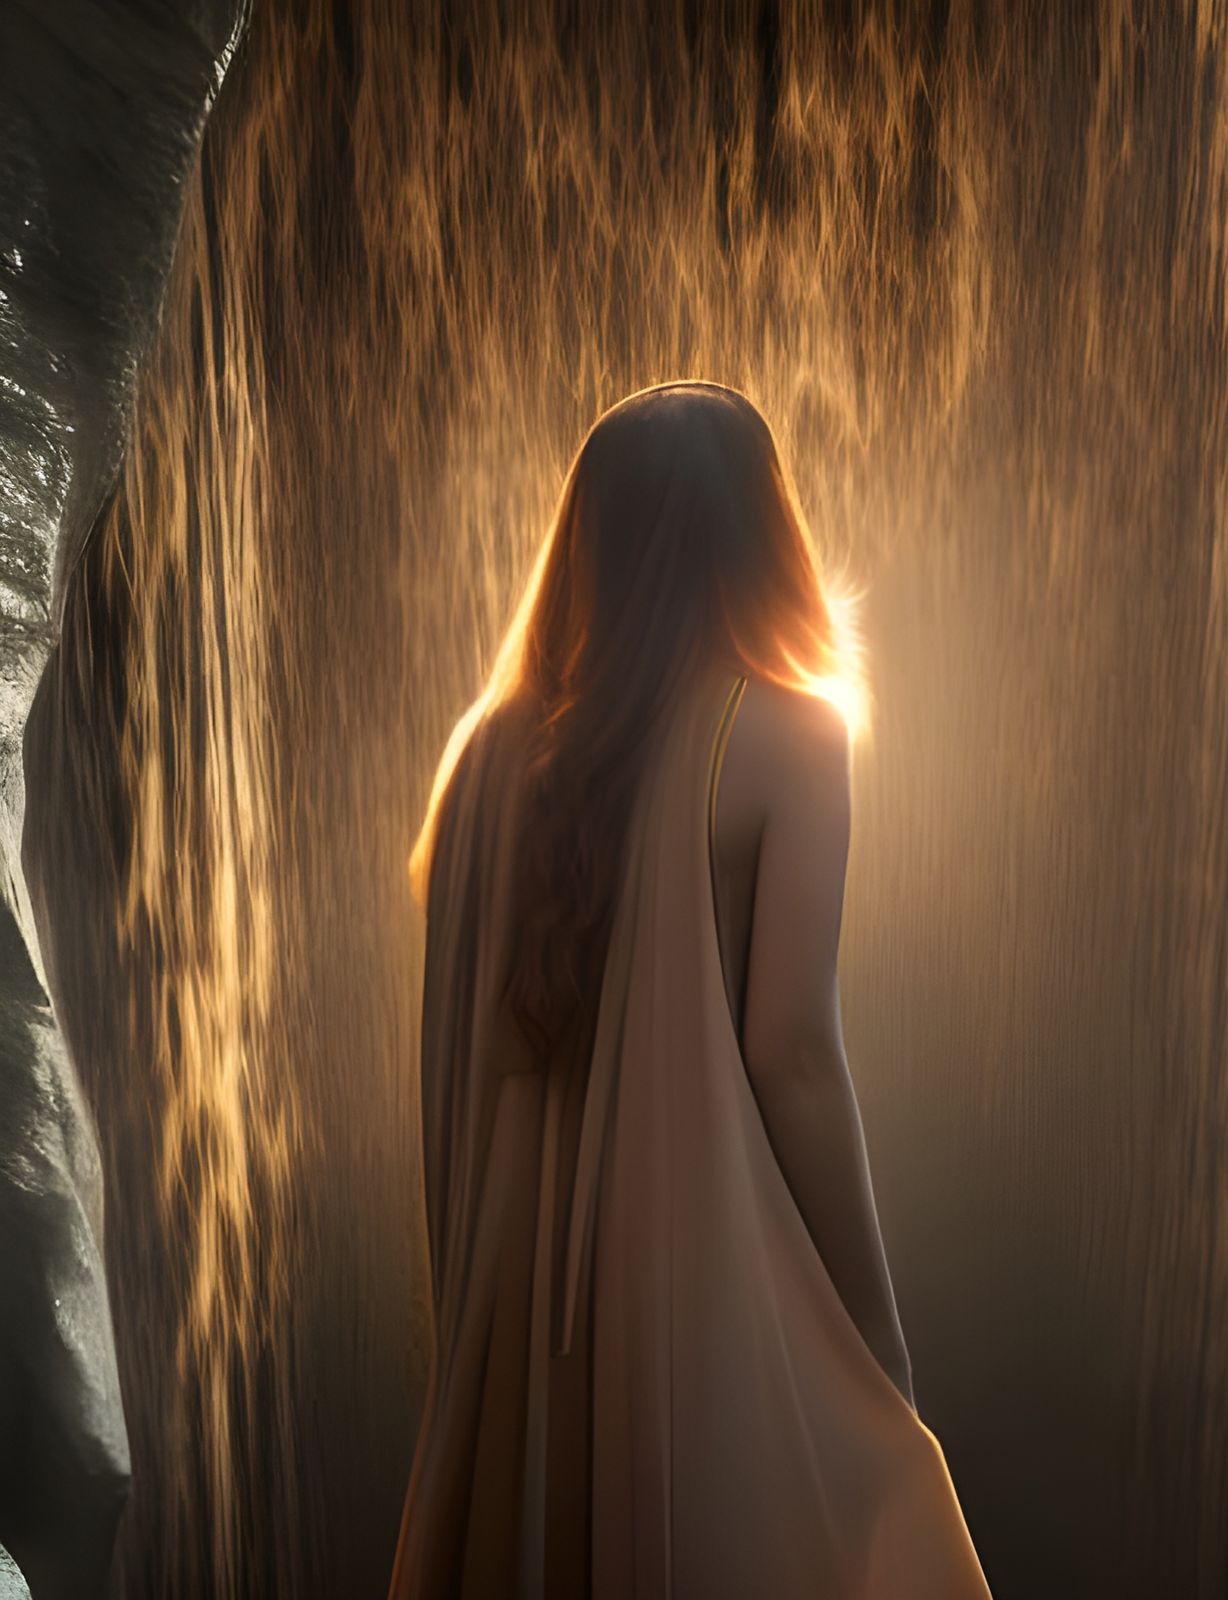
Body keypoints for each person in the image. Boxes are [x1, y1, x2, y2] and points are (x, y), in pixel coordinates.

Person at [387, 381, 991, 1599]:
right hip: (705, 1286)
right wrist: (874, 1329)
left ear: (587, 543)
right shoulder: (791, 737)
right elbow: (792, 1056)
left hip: (519, 1317)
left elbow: (451, 1075)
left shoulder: (483, 759)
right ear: (764, 535)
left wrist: (475, 1337)